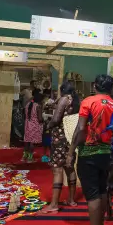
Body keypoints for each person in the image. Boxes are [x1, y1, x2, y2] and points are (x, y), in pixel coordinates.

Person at [66, 74, 113, 225]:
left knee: (92, 194)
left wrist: (71, 152)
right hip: (105, 153)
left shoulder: (89, 102)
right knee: (102, 189)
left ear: (95, 86)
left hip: (89, 153)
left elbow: (81, 129)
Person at [41, 82, 80, 213]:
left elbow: (57, 119)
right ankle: (71, 199)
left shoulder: (64, 99)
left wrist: (47, 126)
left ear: (62, 90)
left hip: (60, 138)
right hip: (70, 138)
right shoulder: (75, 101)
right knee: (70, 168)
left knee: (57, 170)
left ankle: (54, 204)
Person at [22, 92, 44, 163]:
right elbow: (40, 119)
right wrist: (44, 121)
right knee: (32, 142)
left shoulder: (28, 104)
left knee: (27, 141)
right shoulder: (38, 106)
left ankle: (24, 157)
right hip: (35, 125)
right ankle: (30, 158)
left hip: (27, 124)